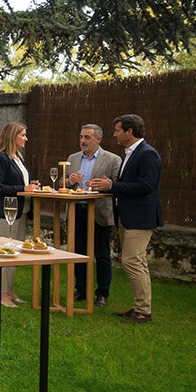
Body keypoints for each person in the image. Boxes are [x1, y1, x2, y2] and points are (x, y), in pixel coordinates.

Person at [88, 114, 162, 324]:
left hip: (141, 217)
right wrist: (108, 185)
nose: (114, 134)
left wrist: (113, 185)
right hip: (127, 216)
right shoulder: (131, 153)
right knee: (136, 261)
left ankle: (143, 312)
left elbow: (146, 186)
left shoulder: (148, 154)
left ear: (129, 131)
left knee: (132, 260)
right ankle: (141, 308)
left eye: (117, 130)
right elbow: (128, 184)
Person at [65, 124, 121, 307]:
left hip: (99, 213)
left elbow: (118, 185)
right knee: (78, 252)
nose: (83, 141)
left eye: (87, 137)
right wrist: (70, 181)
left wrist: (104, 185)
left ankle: (103, 293)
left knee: (102, 255)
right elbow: (61, 183)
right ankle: (81, 289)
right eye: (81, 137)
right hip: (76, 210)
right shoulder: (72, 158)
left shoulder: (113, 159)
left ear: (98, 139)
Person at [0, 122, 37, 308]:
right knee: (3, 253)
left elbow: (19, 183)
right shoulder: (0, 158)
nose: (26, 138)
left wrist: (30, 187)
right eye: (23, 135)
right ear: (12, 136)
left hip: (21, 212)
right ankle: (0, 293)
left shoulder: (18, 157)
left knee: (15, 253)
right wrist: (23, 188)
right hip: (5, 212)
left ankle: (9, 290)